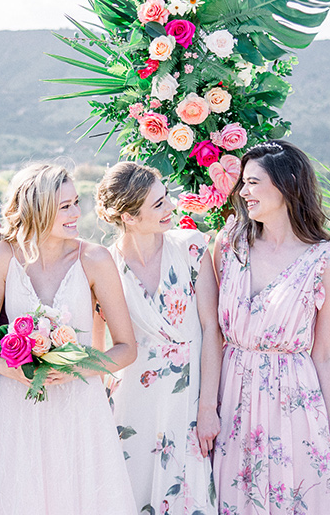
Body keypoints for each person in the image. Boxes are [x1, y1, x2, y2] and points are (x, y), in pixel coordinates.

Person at [0, 164, 137, 515]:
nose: (77, 213)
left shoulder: (94, 258)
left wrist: (78, 365)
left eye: (76, 202)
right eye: (65, 206)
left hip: (80, 407)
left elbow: (126, 348)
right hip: (18, 406)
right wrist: (12, 370)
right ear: (37, 207)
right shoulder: (1, 257)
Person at [213, 140, 330, 513]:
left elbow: (325, 354)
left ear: (286, 184)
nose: (243, 192)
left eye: (253, 182)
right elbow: (208, 329)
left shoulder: (325, 260)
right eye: (242, 182)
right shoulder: (229, 244)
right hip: (233, 401)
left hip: (294, 407)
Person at [95, 161, 221, 515]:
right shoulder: (102, 264)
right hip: (129, 404)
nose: (171, 208)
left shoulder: (192, 248)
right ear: (129, 216)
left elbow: (212, 330)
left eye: (166, 198)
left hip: (187, 404)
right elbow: (98, 343)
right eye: (159, 204)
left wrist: (207, 407)